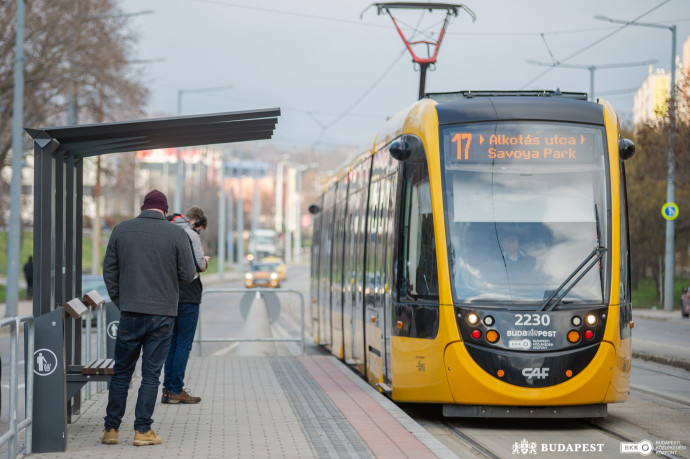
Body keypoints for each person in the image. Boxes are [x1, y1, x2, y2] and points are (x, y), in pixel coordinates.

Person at [101, 190, 196, 446]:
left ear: (143, 207)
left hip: (130, 312)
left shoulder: (121, 230)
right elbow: (188, 275)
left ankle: (111, 430)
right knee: (151, 375)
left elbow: (109, 269)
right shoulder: (176, 233)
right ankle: (142, 432)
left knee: (121, 372)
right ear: (164, 211)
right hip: (162, 315)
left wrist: (121, 301)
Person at [161, 206, 210, 404]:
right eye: (200, 228)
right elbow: (199, 265)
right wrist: (205, 262)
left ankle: (167, 390)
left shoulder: (167, 230)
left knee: (172, 343)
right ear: (196, 223)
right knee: (183, 344)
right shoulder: (191, 234)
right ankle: (176, 390)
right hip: (189, 294)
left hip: (170, 293)